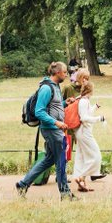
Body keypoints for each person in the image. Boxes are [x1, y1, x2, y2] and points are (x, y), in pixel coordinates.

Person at [16, 62, 75, 200]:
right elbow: (39, 111)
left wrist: (66, 102)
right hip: (52, 130)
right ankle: (65, 194)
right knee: (61, 161)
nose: (66, 75)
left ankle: (23, 184)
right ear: (57, 72)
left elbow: (53, 105)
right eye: (65, 72)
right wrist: (57, 123)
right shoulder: (46, 89)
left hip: (54, 129)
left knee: (49, 160)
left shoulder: (55, 87)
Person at [70, 81, 105, 192]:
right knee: (96, 156)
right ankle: (81, 176)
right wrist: (99, 119)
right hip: (84, 133)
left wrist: (96, 106)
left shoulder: (84, 100)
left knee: (81, 158)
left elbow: (87, 113)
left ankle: (82, 183)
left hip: (82, 133)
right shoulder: (84, 102)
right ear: (90, 90)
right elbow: (84, 118)